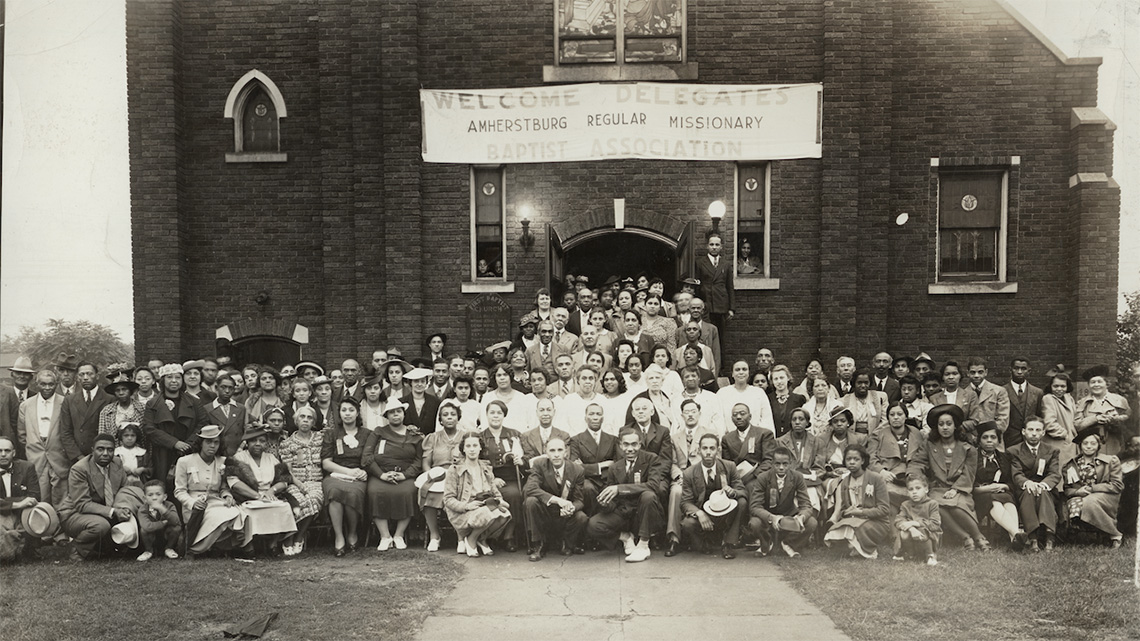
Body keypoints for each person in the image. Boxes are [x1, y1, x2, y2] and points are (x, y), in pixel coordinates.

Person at [910, 404, 991, 551]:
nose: (945, 427)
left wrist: (955, 489)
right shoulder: (929, 445)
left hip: (960, 489)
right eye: (941, 424)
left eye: (949, 424)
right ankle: (965, 536)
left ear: (955, 426)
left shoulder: (968, 448)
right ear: (937, 427)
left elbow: (969, 473)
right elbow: (918, 463)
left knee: (956, 507)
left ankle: (978, 537)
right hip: (938, 487)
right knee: (936, 504)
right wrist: (917, 480)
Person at [585, 428, 669, 562]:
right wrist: (606, 503)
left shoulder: (651, 459)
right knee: (593, 525)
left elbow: (653, 485)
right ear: (620, 445)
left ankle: (643, 545)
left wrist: (620, 489)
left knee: (648, 495)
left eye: (634, 444)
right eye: (626, 444)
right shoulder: (615, 467)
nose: (630, 449)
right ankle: (625, 537)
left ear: (640, 444)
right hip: (624, 514)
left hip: (646, 513)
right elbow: (613, 501)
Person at [58, 433, 131, 561]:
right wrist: (114, 511)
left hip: (103, 512)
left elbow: (125, 489)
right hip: (74, 514)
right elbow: (82, 504)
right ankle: (76, 548)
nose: (105, 453)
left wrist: (125, 508)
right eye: (100, 449)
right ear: (92, 451)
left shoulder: (117, 462)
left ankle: (103, 548)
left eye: (110, 450)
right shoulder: (80, 469)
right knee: (101, 526)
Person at [362, 400, 423, 551]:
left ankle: (399, 535)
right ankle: (385, 536)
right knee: (375, 492)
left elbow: (419, 460)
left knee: (407, 492)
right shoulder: (378, 432)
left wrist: (405, 475)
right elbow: (367, 457)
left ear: (403, 413)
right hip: (381, 474)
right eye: (392, 412)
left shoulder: (414, 435)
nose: (395, 415)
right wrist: (381, 475)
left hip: (405, 476)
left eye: (398, 411)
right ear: (386, 416)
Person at [228, 427, 298, 557]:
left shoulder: (271, 458)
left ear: (266, 444)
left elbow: (284, 480)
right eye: (253, 441)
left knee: (283, 508)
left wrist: (272, 491)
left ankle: (273, 544)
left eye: (262, 441)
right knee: (248, 511)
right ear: (247, 443)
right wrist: (257, 496)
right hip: (246, 496)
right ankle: (248, 547)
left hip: (269, 495)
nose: (258, 444)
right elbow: (235, 484)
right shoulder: (238, 458)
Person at [174, 425, 243, 557]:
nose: (212, 446)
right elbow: (179, 491)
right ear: (201, 443)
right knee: (219, 516)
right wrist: (192, 503)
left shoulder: (222, 461)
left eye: (216, 442)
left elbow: (223, 487)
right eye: (208, 442)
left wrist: (227, 495)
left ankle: (218, 547)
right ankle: (198, 548)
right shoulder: (184, 461)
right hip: (195, 505)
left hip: (216, 501)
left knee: (237, 512)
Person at [675, 433, 746, 559]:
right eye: (705, 448)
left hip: (725, 514)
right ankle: (703, 543)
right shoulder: (689, 473)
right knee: (687, 523)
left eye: (712, 448)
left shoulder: (729, 466)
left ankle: (728, 543)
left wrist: (733, 492)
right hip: (703, 515)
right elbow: (685, 502)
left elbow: (742, 491)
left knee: (742, 502)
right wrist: (699, 513)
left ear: (718, 451)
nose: (708, 452)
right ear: (698, 450)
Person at [444, 433, 512, 557]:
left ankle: (481, 539)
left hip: (485, 505)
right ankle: (471, 539)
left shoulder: (485, 467)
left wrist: (499, 500)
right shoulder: (454, 469)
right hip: (463, 511)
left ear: (480, 448)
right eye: (468, 446)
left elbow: (495, 492)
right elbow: (448, 499)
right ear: (463, 449)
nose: (472, 449)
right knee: (488, 513)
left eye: (475, 445)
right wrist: (466, 506)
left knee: (504, 514)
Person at [142, 363, 208, 488]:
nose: (174, 381)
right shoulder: (152, 403)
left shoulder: (194, 401)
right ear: (162, 380)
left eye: (177, 377)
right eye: (169, 377)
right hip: (163, 454)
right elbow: (149, 429)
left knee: (190, 485)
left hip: (189, 451)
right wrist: (174, 443)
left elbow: (203, 422)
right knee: (166, 486)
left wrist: (188, 444)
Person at [823, 444, 893, 559]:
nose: (851, 462)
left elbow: (884, 510)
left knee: (851, 532)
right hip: (853, 520)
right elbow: (844, 510)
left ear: (863, 461)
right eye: (848, 459)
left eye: (856, 459)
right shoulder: (845, 482)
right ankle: (855, 545)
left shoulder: (876, 478)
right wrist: (847, 512)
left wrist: (860, 512)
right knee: (833, 533)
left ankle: (865, 548)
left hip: (876, 522)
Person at [523, 437, 588, 560]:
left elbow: (579, 500)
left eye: (560, 450)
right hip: (545, 511)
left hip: (565, 515)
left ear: (566, 452)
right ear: (546, 452)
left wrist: (571, 508)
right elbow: (530, 488)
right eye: (552, 451)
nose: (556, 455)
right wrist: (558, 500)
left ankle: (567, 543)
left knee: (581, 517)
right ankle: (539, 545)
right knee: (531, 501)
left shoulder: (577, 470)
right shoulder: (539, 465)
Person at [321, 397, 371, 556]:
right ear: (339, 413)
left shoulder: (367, 434)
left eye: (351, 410)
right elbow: (326, 463)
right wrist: (347, 472)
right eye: (344, 410)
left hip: (358, 475)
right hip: (336, 473)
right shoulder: (332, 433)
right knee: (334, 492)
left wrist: (364, 471)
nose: (347, 414)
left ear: (357, 413)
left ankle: (352, 532)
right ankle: (339, 536)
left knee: (353, 493)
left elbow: (371, 458)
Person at [1062, 426, 1124, 548]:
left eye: (1093, 443)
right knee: (1076, 503)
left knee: (1089, 502)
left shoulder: (1110, 461)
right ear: (1080, 445)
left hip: (1106, 497)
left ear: (1098, 445)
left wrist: (1092, 489)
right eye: (1085, 443)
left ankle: (1114, 535)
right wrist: (1078, 491)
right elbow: (1067, 489)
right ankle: (1094, 531)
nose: (1089, 446)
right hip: (1080, 496)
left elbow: (1117, 486)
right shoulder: (1070, 465)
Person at [748, 446, 816, 558]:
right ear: (772, 463)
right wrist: (772, 517)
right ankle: (766, 543)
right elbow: (755, 506)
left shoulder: (797, 477)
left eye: (785, 464)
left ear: (791, 464)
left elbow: (806, 505)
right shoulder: (763, 478)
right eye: (777, 464)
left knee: (812, 522)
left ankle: (789, 544)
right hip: (768, 517)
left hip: (789, 516)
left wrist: (801, 517)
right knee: (754, 523)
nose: (781, 467)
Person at [1007, 418, 1061, 552]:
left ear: (1043, 433)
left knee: (1043, 493)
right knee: (1029, 493)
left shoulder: (1052, 450)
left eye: (1038, 430)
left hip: (1046, 488)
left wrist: (1043, 484)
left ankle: (1049, 537)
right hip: (1024, 488)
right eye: (1030, 430)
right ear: (1023, 432)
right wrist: (1027, 483)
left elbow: (1054, 473)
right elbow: (1016, 474)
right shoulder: (1014, 451)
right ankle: (1033, 538)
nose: (1034, 433)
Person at [277, 405, 324, 556]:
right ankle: (289, 538)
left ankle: (297, 536)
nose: (305, 420)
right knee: (297, 500)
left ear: (314, 422)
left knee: (313, 499)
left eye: (309, 418)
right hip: (294, 482)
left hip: (316, 481)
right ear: (296, 421)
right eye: (302, 417)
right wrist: (299, 484)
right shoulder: (287, 443)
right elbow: (288, 470)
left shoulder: (320, 438)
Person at [478, 400, 525, 551]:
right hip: (488, 478)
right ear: (486, 415)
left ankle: (509, 536)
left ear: (504, 415)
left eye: (499, 413)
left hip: (511, 476)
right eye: (492, 412)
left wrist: (521, 459)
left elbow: (525, 455)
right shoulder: (481, 437)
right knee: (488, 497)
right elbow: (477, 462)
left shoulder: (514, 434)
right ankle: (490, 535)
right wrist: (493, 478)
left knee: (514, 494)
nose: (496, 416)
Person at [18, 369, 68, 507]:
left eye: (51, 384)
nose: (47, 388)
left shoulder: (65, 402)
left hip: (59, 458)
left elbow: (69, 432)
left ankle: (63, 525)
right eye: (43, 384)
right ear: (36, 384)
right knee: (40, 496)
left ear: (56, 384)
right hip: (36, 458)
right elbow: (22, 435)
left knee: (62, 498)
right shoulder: (26, 405)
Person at [420, 400, 464, 551]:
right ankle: (434, 535)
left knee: (459, 494)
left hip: (460, 475)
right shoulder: (432, 438)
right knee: (427, 492)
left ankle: (461, 536)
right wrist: (430, 475)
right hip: (438, 475)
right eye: (445, 415)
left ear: (458, 417)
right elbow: (426, 462)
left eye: (453, 414)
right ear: (440, 419)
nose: (449, 417)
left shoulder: (466, 437)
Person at [973, 422, 1024, 546]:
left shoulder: (1004, 457)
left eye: (993, 437)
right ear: (979, 441)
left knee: (1008, 500)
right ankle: (1016, 533)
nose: (989, 441)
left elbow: (1011, 482)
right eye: (985, 437)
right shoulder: (972, 457)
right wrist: (987, 488)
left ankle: (1015, 539)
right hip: (980, 496)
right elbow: (968, 484)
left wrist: (1004, 486)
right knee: (994, 500)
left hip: (1002, 493)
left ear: (998, 441)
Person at [868, 402, 924, 509]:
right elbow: (870, 457)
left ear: (906, 416)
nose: (896, 417)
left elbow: (923, 457)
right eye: (892, 415)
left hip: (913, 475)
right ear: (888, 417)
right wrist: (881, 471)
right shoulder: (879, 434)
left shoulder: (916, 433)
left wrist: (915, 472)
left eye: (900, 414)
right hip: (889, 475)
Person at [569, 403, 621, 514]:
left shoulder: (613, 439)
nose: (595, 417)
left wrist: (586, 467)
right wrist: (602, 465)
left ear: (603, 418)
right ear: (585, 418)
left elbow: (617, 464)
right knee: (587, 488)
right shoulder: (576, 440)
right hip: (587, 481)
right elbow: (575, 467)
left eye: (598, 414)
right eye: (591, 414)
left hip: (607, 480)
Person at [0, 436, 44, 559]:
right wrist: (18, 503)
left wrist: (5, 502)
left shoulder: (27, 467)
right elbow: (25, 500)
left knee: (38, 510)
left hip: (23, 511)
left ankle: (30, 548)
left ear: (13, 453)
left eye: (7, 451)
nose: (3, 454)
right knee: (6, 555)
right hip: (3, 512)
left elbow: (34, 496)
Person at [59, 362, 112, 464]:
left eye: (89, 374)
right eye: (81, 374)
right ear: (77, 377)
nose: (85, 378)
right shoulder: (69, 401)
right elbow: (65, 432)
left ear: (97, 376)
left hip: (104, 457)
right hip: (78, 459)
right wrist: (78, 456)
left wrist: (103, 454)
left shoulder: (109, 399)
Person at [1075, 365, 1132, 456]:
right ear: (1089, 385)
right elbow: (1077, 426)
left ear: (1106, 383)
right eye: (1093, 382)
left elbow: (1129, 419)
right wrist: (1095, 419)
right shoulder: (1082, 403)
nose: (1096, 385)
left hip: (1115, 445)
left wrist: (1116, 419)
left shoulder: (1119, 400)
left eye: (1099, 382)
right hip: (1091, 448)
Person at [775, 408, 822, 512]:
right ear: (790, 422)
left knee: (812, 494)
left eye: (801, 419)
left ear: (807, 422)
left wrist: (811, 476)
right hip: (787, 478)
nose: (797, 422)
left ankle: (810, 523)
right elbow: (778, 465)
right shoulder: (780, 442)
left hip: (810, 481)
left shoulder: (816, 442)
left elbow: (819, 467)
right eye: (794, 419)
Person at [926, 361, 982, 443]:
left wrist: (955, 427)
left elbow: (975, 420)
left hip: (964, 438)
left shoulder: (970, 395)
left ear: (960, 376)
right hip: (940, 439)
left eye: (954, 373)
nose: (951, 377)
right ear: (942, 377)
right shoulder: (934, 398)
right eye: (947, 374)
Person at [721, 403, 776, 486]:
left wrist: (753, 476)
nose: (738, 417)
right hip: (737, 481)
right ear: (732, 419)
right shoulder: (727, 439)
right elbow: (727, 465)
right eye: (735, 415)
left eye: (742, 414)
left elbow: (769, 461)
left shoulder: (764, 434)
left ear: (750, 416)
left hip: (758, 478)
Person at [694, 231, 734, 341]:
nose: (714, 247)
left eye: (717, 245)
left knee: (720, 337)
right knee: (706, 335)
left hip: (721, 305)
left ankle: (719, 358)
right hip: (707, 303)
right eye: (712, 245)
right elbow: (696, 286)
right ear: (707, 246)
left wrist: (731, 308)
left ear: (721, 247)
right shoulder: (700, 263)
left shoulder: (725, 264)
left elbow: (730, 286)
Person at [716, 360, 775, 435]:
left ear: (748, 373)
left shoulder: (758, 393)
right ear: (732, 374)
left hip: (755, 439)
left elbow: (766, 418)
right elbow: (719, 419)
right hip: (730, 440)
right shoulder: (722, 393)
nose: (741, 372)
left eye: (744, 369)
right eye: (737, 370)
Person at [893, 476, 942, 566]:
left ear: (926, 489)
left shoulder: (932, 504)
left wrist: (914, 523)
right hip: (912, 536)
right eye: (911, 489)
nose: (914, 492)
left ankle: (930, 555)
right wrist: (911, 528)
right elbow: (898, 520)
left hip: (928, 537)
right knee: (904, 532)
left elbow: (935, 524)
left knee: (922, 529)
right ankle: (911, 554)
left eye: (918, 488)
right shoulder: (905, 505)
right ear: (908, 492)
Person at [134, 479, 182, 561]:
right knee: (143, 530)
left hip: (166, 535)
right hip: (151, 537)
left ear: (164, 497)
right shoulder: (143, 509)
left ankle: (169, 548)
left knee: (176, 528)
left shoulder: (169, 505)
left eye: (158, 494)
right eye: (150, 495)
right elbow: (147, 526)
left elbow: (176, 521)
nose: (154, 498)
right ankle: (148, 551)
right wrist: (164, 522)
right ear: (145, 498)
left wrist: (163, 510)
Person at [1004, 358, 1043, 449]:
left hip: (1031, 439)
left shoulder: (1037, 392)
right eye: (1016, 368)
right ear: (1010, 370)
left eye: (1023, 369)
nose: (1019, 372)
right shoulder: (1002, 391)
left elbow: (1039, 416)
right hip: (1009, 440)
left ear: (1029, 371)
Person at [205, 375, 247, 457]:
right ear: (216, 388)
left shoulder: (241, 408)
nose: (227, 391)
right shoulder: (207, 409)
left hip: (237, 453)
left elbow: (245, 430)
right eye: (223, 387)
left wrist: (241, 448)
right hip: (217, 454)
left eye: (230, 388)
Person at [1041, 372, 1078, 467]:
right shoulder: (1048, 398)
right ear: (1050, 386)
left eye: (1063, 386)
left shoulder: (1069, 398)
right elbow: (1049, 423)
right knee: (1059, 471)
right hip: (1056, 443)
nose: (1059, 389)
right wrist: (1066, 435)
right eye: (1056, 386)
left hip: (1071, 444)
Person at [481, 363, 529, 432]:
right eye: (499, 375)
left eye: (505, 375)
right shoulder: (487, 398)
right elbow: (484, 423)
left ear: (510, 376)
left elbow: (525, 423)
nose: (502, 378)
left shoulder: (521, 397)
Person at [97, 370, 144, 439]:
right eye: (117, 390)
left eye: (124, 389)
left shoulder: (142, 408)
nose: (121, 393)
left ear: (130, 390)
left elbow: (148, 434)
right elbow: (102, 437)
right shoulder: (106, 412)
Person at [841, 370, 888, 436]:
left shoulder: (880, 397)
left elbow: (885, 420)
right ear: (854, 383)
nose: (863, 385)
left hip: (875, 436)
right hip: (851, 436)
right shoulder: (844, 400)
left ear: (870, 383)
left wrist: (875, 435)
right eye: (859, 383)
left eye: (866, 383)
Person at [768, 365, 806, 438]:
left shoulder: (799, 399)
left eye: (782, 378)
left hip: (793, 439)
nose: (779, 381)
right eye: (776, 379)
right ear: (772, 381)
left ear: (788, 378)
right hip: (773, 440)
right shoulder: (768, 398)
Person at [401, 368, 440, 434]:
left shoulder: (435, 402)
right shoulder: (402, 402)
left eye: (422, 381)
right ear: (411, 383)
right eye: (416, 381)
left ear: (426, 383)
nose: (419, 384)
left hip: (429, 440)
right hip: (407, 441)